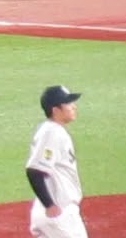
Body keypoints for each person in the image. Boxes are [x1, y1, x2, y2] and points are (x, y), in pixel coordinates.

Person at [26, 85, 85, 238]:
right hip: (59, 213)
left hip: (63, 212)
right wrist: (50, 205)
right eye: (68, 103)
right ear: (56, 110)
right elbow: (34, 170)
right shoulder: (51, 132)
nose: (74, 106)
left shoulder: (55, 131)